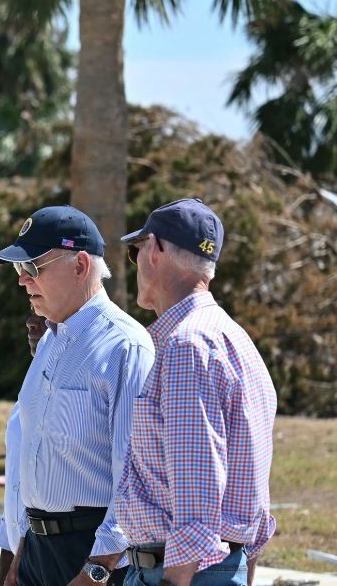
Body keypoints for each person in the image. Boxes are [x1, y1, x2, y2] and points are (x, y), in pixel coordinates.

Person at [0, 206, 155, 586]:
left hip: (93, 558)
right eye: (19, 270)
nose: (22, 281)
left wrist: (95, 572)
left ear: (80, 265)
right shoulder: (50, 341)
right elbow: (26, 452)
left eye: (32, 268)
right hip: (36, 553)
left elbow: (133, 479)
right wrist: (19, 553)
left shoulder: (125, 347)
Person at [116, 198, 277, 586]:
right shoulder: (232, 337)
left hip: (180, 574)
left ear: (154, 249)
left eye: (135, 251)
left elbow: (197, 493)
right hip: (207, 569)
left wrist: (175, 580)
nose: (136, 261)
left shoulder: (187, 345)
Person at [0, 312, 49, 586]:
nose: (30, 321)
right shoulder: (26, 396)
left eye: (44, 314)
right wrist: (5, 572)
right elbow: (15, 497)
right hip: (24, 566)